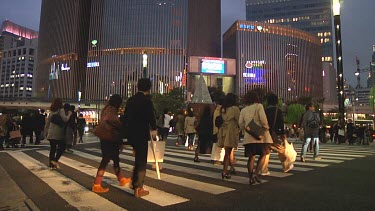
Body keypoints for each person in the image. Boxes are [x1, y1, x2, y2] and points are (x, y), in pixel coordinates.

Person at [92, 94, 130, 193]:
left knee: (115, 158)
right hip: (109, 138)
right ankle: (97, 184)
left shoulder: (106, 108)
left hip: (106, 137)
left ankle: (121, 179)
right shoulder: (111, 109)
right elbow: (109, 121)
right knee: (106, 160)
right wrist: (119, 123)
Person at [125, 78, 157, 198]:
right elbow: (151, 116)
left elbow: (126, 116)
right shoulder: (146, 101)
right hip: (141, 133)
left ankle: (134, 183)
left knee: (138, 158)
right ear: (149, 88)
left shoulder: (131, 100)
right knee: (141, 160)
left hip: (131, 133)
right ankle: (138, 187)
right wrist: (154, 129)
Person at [239, 91, 272, 185]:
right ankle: (256, 174)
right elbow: (263, 119)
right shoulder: (259, 106)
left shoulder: (243, 110)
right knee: (263, 154)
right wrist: (266, 127)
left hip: (249, 137)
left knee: (251, 157)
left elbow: (241, 124)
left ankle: (250, 177)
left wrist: (248, 129)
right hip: (261, 136)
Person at [263, 94, 290, 173]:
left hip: (265, 133)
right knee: (281, 150)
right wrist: (282, 133)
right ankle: (286, 166)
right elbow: (281, 123)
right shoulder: (278, 111)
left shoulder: (265, 110)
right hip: (274, 133)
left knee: (266, 151)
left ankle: (264, 170)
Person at [44, 98, 72, 169]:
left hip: (51, 132)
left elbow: (48, 122)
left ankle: (51, 165)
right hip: (58, 132)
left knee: (52, 149)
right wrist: (69, 114)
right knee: (62, 147)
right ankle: (55, 160)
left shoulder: (52, 110)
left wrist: (46, 131)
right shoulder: (61, 110)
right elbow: (65, 119)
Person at [218, 93, 240, 180]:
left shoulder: (223, 109)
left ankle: (229, 168)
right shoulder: (235, 109)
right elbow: (239, 120)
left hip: (223, 130)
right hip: (231, 131)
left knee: (227, 152)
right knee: (228, 152)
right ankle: (225, 171)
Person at [211, 98, 225, 165]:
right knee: (219, 146)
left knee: (215, 145)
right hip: (219, 129)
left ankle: (214, 158)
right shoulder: (221, 110)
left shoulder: (216, 110)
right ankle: (218, 159)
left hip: (215, 129)